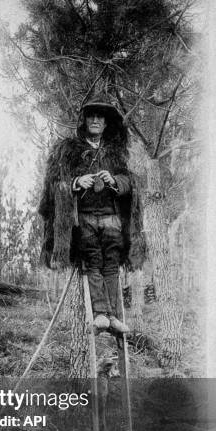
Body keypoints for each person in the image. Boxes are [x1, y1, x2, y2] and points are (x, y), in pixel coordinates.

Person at [38, 94, 146, 334]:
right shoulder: (68, 150)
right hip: (84, 217)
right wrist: (77, 181)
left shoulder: (117, 153)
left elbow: (132, 182)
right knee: (93, 263)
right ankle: (100, 314)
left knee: (112, 266)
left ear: (106, 123)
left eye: (100, 117)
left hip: (111, 218)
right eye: (91, 116)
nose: (96, 120)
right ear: (84, 121)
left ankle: (115, 316)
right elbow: (54, 184)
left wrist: (115, 180)